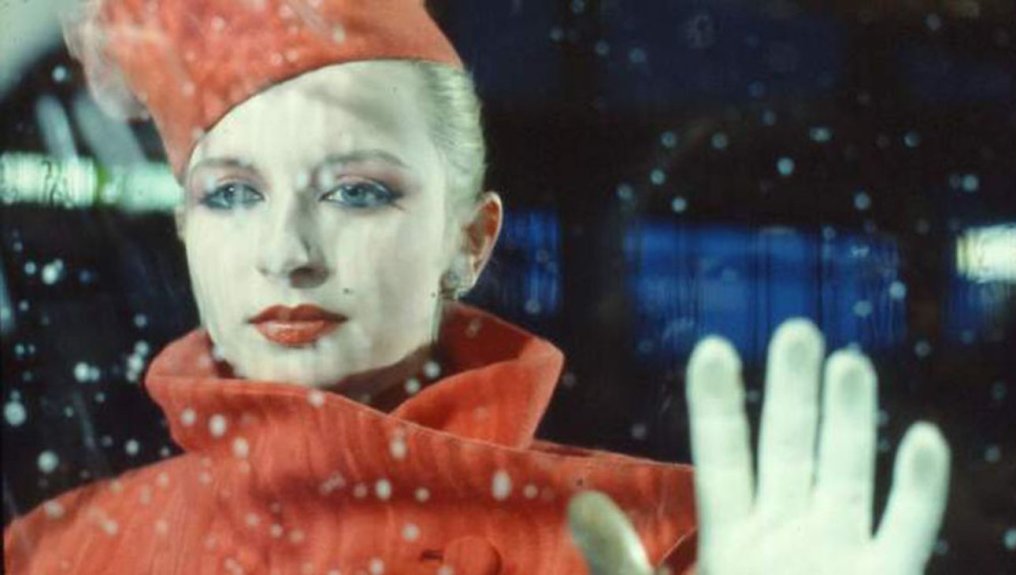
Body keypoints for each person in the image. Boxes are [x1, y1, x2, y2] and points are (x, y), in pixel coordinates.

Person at [3, 1, 951, 574]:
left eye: (357, 191)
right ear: (185, 230)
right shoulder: (59, 551)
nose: (286, 252)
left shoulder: (673, 537)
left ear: (470, 239)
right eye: (234, 194)